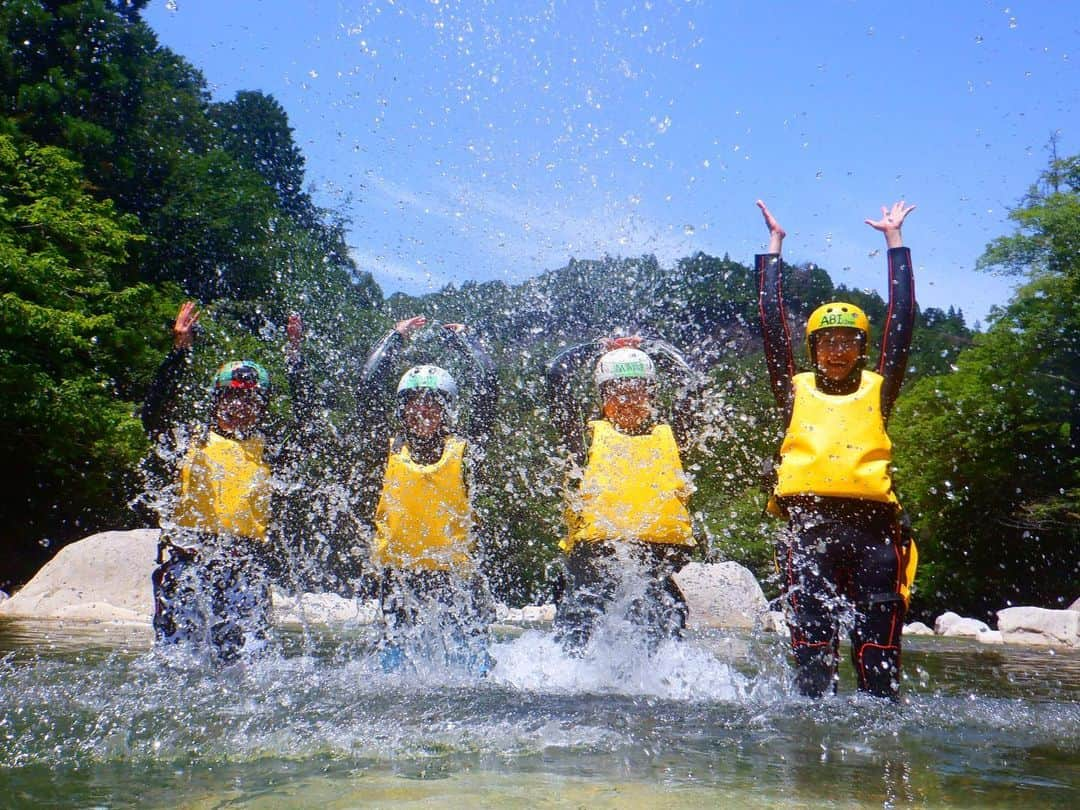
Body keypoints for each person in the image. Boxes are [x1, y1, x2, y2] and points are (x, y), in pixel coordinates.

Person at [756, 199, 919, 699]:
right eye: (827, 341)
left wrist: (894, 243)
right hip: (810, 532)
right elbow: (770, 323)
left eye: (848, 341)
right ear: (813, 349)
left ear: (862, 348)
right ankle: (810, 758)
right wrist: (774, 249)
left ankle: (882, 758)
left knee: (879, 659)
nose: (837, 350)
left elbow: (903, 319)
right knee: (811, 650)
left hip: (875, 536)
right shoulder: (794, 389)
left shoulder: (879, 388)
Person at [143, 301, 310, 663]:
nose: (239, 406)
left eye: (249, 399)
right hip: (188, 568)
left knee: (242, 669)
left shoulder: (271, 451)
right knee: (176, 665)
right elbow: (153, 413)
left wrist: (295, 361)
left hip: (244, 572)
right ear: (216, 400)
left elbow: (309, 427)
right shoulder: (189, 440)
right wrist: (179, 354)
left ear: (261, 407)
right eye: (231, 396)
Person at [353, 315, 498, 671]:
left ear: (448, 409)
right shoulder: (385, 449)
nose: (423, 411)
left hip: (456, 582)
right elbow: (366, 389)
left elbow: (489, 385)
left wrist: (468, 340)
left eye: (433, 403)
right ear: (402, 409)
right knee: (396, 673)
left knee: (469, 672)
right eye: (414, 403)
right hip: (399, 581)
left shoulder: (465, 451)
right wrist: (395, 338)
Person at [546, 335, 705, 655]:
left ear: (652, 396)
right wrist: (597, 347)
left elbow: (692, 382)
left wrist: (651, 346)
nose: (628, 401)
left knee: (666, 620)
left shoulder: (674, 439)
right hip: (591, 574)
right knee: (579, 639)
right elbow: (555, 374)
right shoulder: (582, 443)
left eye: (638, 391)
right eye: (617, 392)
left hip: (651, 575)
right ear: (602, 397)